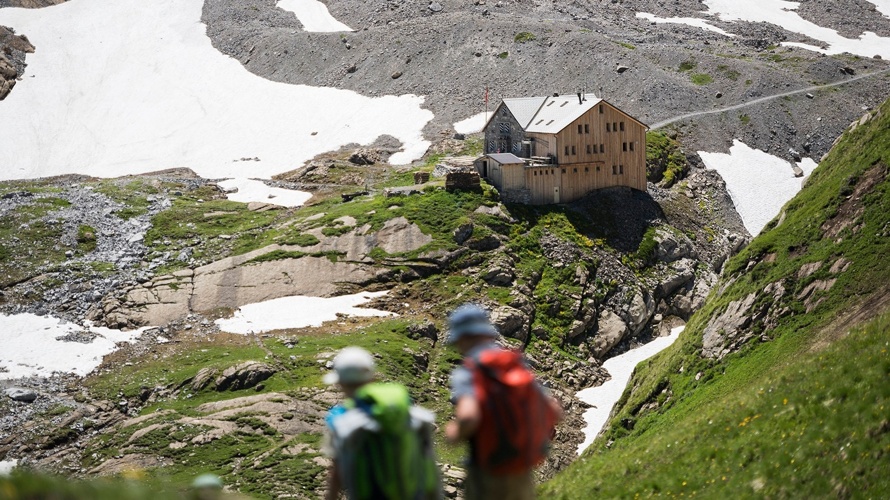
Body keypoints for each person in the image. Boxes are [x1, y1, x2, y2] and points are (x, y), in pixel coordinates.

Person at [445, 303, 563, 500]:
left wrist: (453, 433)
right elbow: (556, 412)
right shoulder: (514, 365)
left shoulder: (469, 372)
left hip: (488, 471)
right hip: (521, 469)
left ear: (463, 338)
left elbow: (468, 417)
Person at [323, 346, 441, 500]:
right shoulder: (407, 412)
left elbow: (337, 472)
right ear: (372, 378)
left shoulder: (341, 419)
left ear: (341, 383)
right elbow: (428, 462)